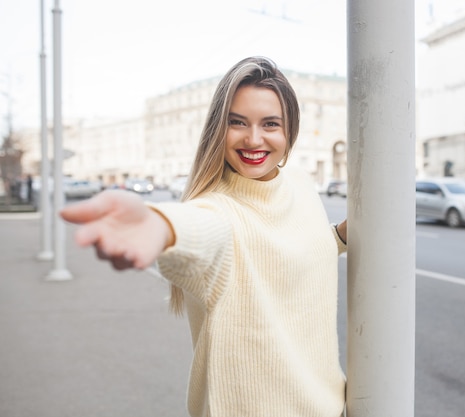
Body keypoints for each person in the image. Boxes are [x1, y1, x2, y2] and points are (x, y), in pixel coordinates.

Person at [60, 56, 348, 417]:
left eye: (270, 124)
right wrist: (159, 226)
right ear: (217, 129)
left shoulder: (299, 182)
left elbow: (285, 248)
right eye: (237, 123)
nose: (254, 138)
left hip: (329, 405)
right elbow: (200, 229)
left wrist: (338, 236)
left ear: (290, 130)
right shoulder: (216, 210)